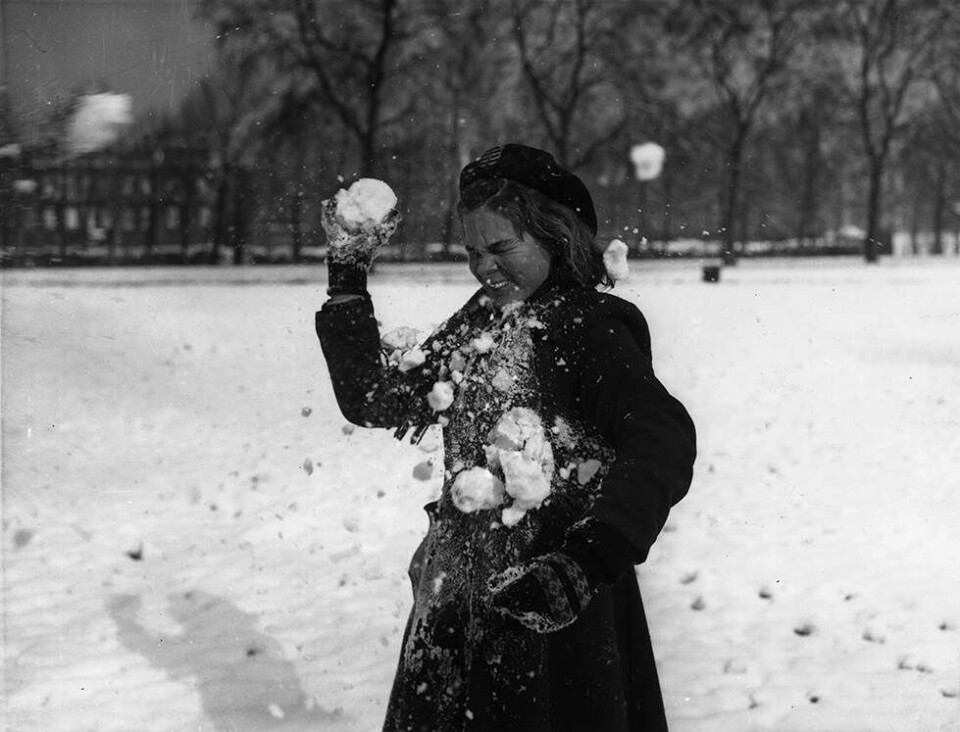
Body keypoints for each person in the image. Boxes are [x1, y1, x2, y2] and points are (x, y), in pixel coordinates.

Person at [316, 143, 696, 732]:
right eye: (472, 250)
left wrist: (586, 561)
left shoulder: (586, 326)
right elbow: (376, 399)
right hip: (458, 605)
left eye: (500, 248)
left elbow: (663, 437)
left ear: (556, 238)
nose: (482, 266)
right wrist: (347, 273)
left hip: (551, 621)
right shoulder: (481, 322)